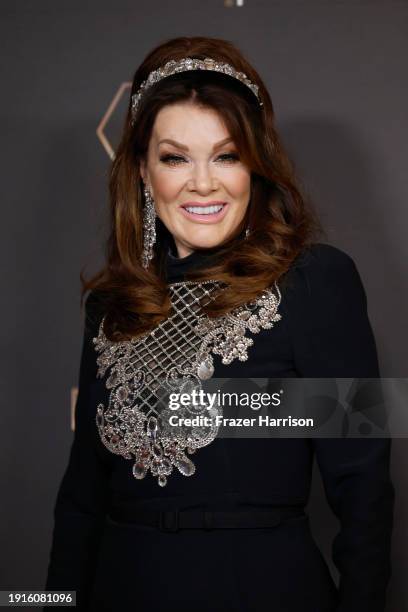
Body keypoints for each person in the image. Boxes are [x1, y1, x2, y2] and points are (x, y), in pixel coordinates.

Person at [44, 36, 395, 612]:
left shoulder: (314, 281)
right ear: (141, 169)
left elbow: (364, 490)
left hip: (260, 588)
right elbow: (81, 500)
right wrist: (43, 604)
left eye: (227, 155)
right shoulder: (112, 303)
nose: (203, 182)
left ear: (255, 167)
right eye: (175, 156)